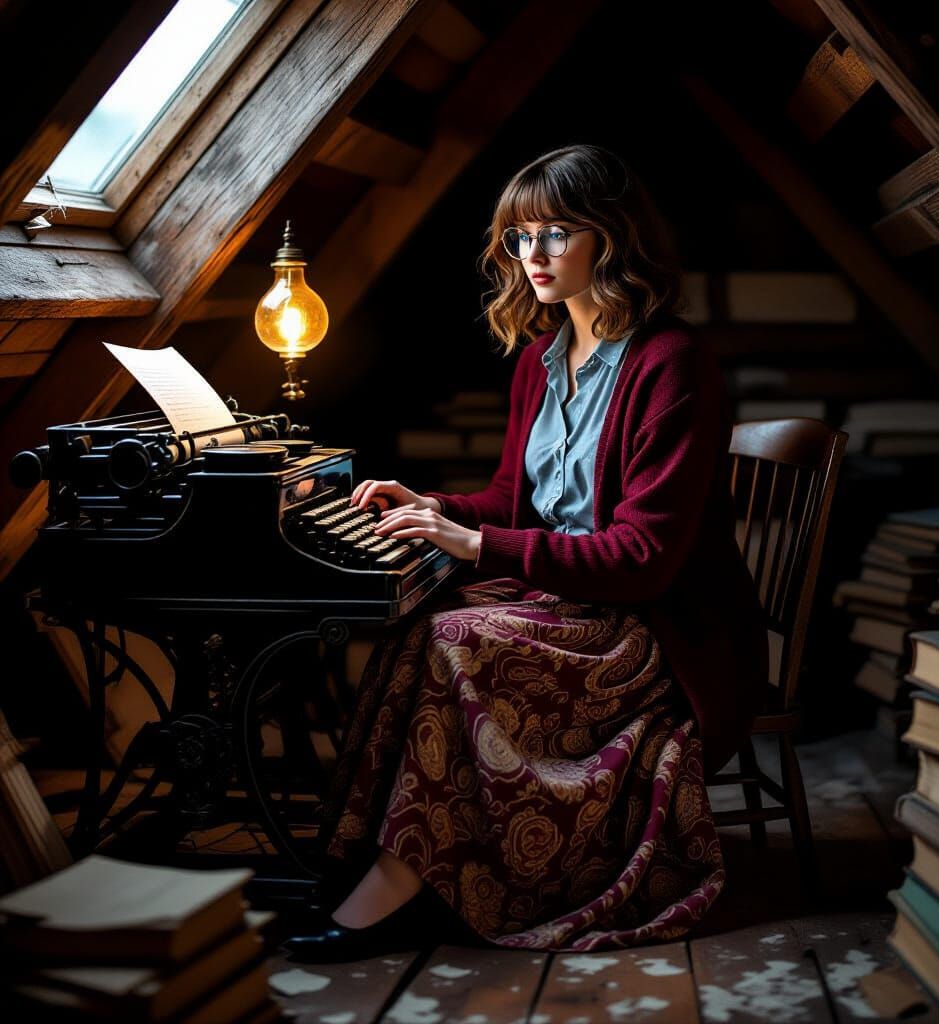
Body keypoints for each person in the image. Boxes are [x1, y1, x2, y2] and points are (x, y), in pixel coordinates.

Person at [282, 143, 770, 962]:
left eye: (554, 234)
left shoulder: (672, 363)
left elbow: (643, 559)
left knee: (453, 638)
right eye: (518, 238)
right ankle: (408, 866)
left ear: (609, 239)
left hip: (655, 627)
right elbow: (517, 502)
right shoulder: (543, 362)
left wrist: (473, 542)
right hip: (573, 603)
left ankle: (399, 892)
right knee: (419, 618)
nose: (532, 257)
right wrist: (433, 506)